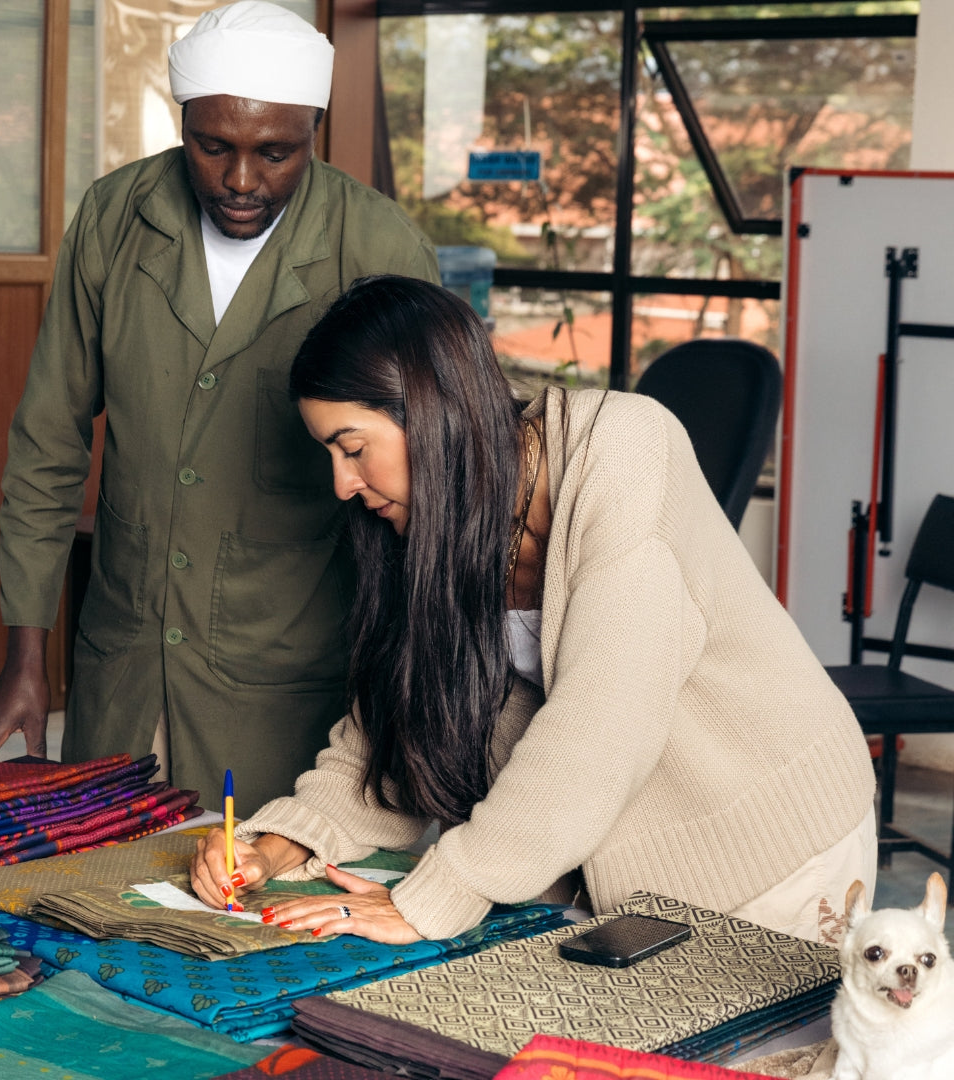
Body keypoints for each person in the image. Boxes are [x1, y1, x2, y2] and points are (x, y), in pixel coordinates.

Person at [190, 274, 878, 944]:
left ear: (432, 410)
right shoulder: (430, 527)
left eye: (354, 448)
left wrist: (441, 892)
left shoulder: (623, 448)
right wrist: (276, 844)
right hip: (615, 889)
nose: (344, 484)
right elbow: (392, 738)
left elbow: (602, 726)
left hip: (770, 852)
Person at [0, 3, 439, 814]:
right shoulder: (114, 218)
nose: (241, 180)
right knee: (92, 902)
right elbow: (48, 442)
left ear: (313, 130)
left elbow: (430, 482)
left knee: (255, 911)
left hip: (285, 685)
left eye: (274, 153)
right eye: (212, 147)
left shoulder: (379, 247)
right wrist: (25, 654)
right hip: (124, 667)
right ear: (183, 124)